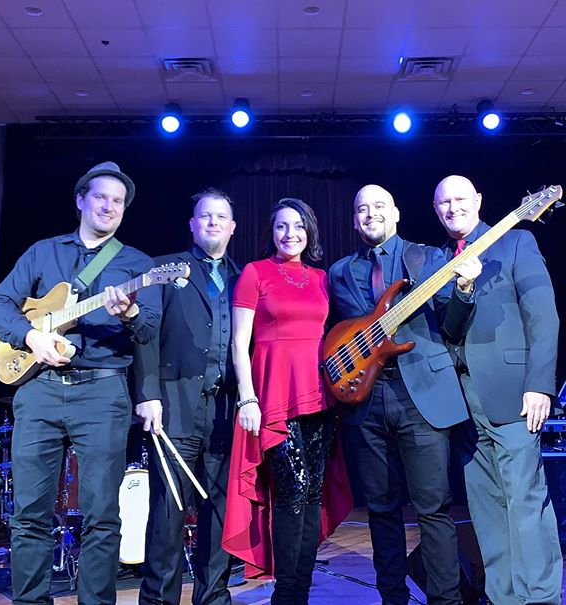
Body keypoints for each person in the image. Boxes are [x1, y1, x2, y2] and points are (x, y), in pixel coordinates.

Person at [0, 161, 162, 605]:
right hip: (39, 388)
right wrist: (28, 335)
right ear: (81, 200)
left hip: (103, 392)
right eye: (101, 197)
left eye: (118, 201)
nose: (109, 206)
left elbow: (151, 332)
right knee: (29, 514)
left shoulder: (138, 264)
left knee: (103, 515)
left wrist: (132, 313)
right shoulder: (44, 253)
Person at [328, 184, 481, 605]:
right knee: (381, 509)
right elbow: (337, 335)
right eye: (362, 208)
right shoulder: (338, 271)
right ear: (354, 219)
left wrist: (465, 291)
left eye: (379, 206)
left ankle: (445, 600)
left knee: (433, 508)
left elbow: (453, 326)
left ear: (396, 213)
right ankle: (391, 597)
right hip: (366, 399)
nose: (370, 213)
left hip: (421, 396)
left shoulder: (428, 257)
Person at [433, 175, 563, 605]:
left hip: (514, 394)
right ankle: (504, 598)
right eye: (444, 203)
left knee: (525, 502)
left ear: (479, 201)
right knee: (487, 509)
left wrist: (540, 385)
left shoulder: (516, 241)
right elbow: (450, 331)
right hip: (465, 404)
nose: (453, 208)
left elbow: (544, 316)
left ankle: (540, 598)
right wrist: (463, 288)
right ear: (436, 210)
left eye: (460, 199)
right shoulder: (441, 263)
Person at [221, 198, 353, 604]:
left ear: (309, 231)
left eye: (297, 226)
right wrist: (247, 399)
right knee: (293, 492)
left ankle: (300, 591)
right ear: (271, 232)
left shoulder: (320, 278)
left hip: (319, 396)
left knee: (312, 494)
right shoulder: (254, 273)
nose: (289, 234)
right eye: (281, 226)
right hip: (273, 396)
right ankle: (286, 595)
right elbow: (238, 343)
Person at [134, 187, 240, 605]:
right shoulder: (164, 269)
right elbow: (145, 335)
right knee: (167, 513)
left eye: (220, 217)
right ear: (192, 224)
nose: (212, 223)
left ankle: (213, 597)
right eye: (205, 216)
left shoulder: (244, 277)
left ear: (232, 227)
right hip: (173, 406)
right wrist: (147, 394)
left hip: (225, 410)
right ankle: (159, 600)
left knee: (218, 511)